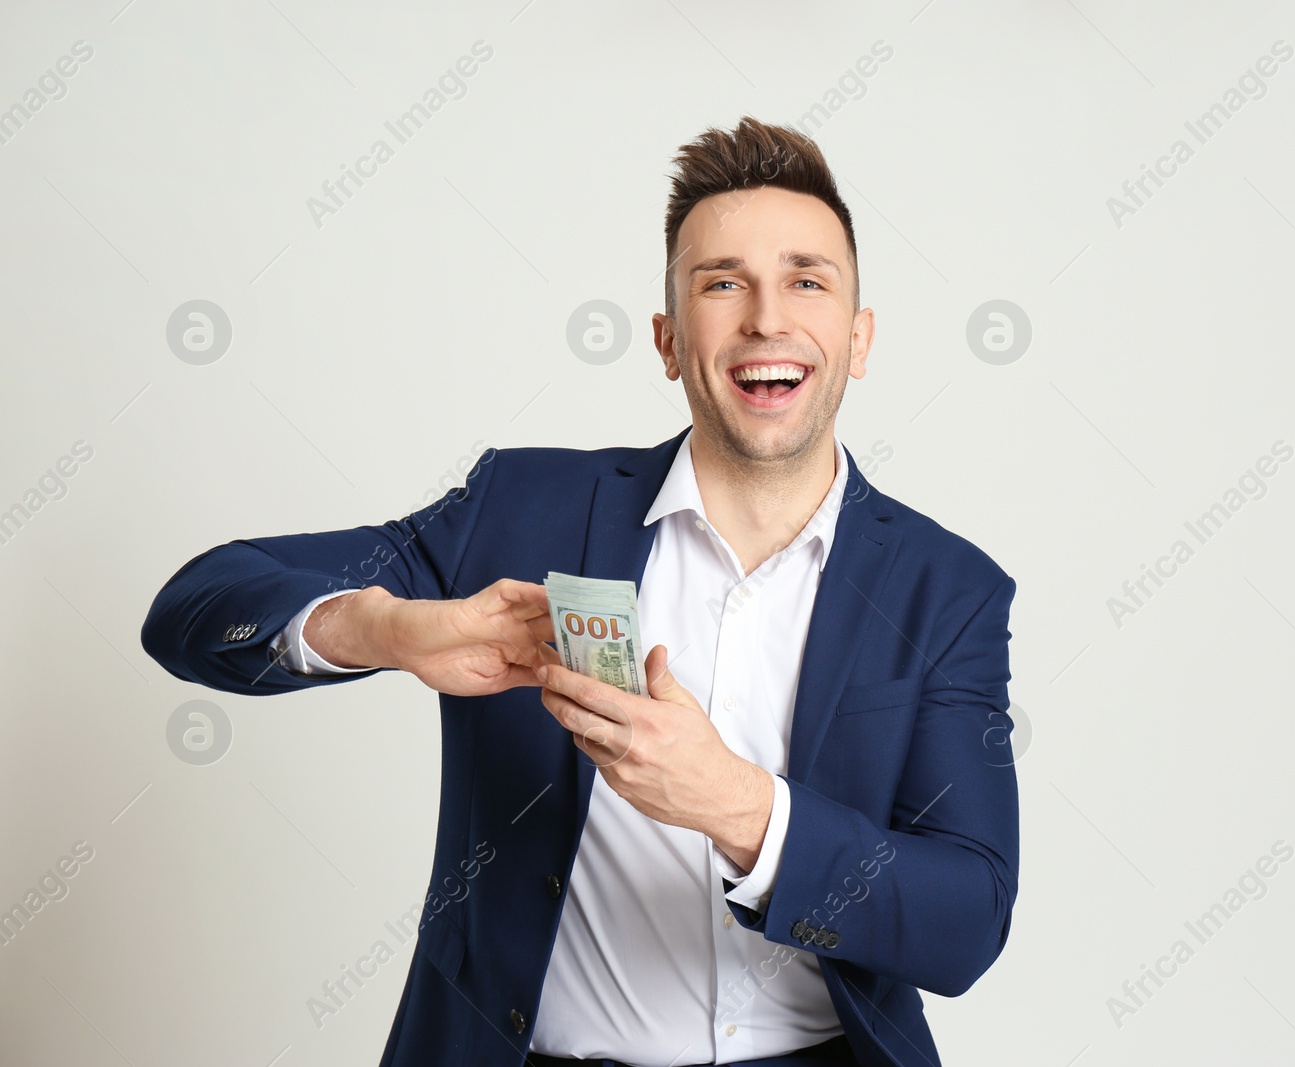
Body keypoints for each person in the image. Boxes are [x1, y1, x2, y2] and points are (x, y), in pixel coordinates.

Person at [141, 116, 1019, 1067]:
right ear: (669, 340)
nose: (767, 317)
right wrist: (387, 628)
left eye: (807, 280)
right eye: (721, 283)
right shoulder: (523, 511)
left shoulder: (948, 590)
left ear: (857, 339)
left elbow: (965, 918)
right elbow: (196, 604)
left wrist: (739, 807)